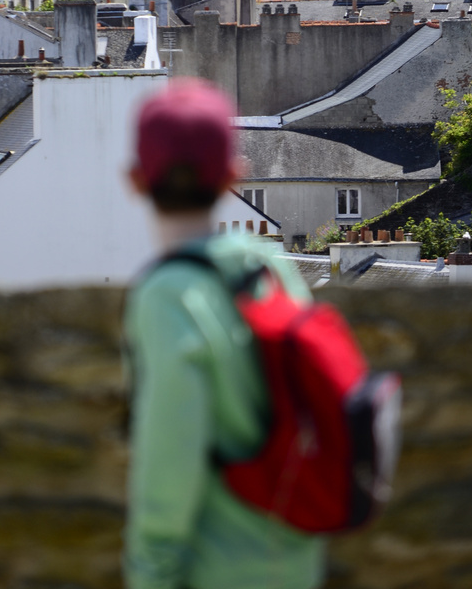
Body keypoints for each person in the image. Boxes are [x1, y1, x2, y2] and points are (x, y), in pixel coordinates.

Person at [124, 78, 325, 589]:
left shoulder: (166, 296)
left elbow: (171, 457)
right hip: (295, 558)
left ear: (136, 180)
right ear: (232, 175)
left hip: (215, 569)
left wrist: (151, 574)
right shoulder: (272, 269)